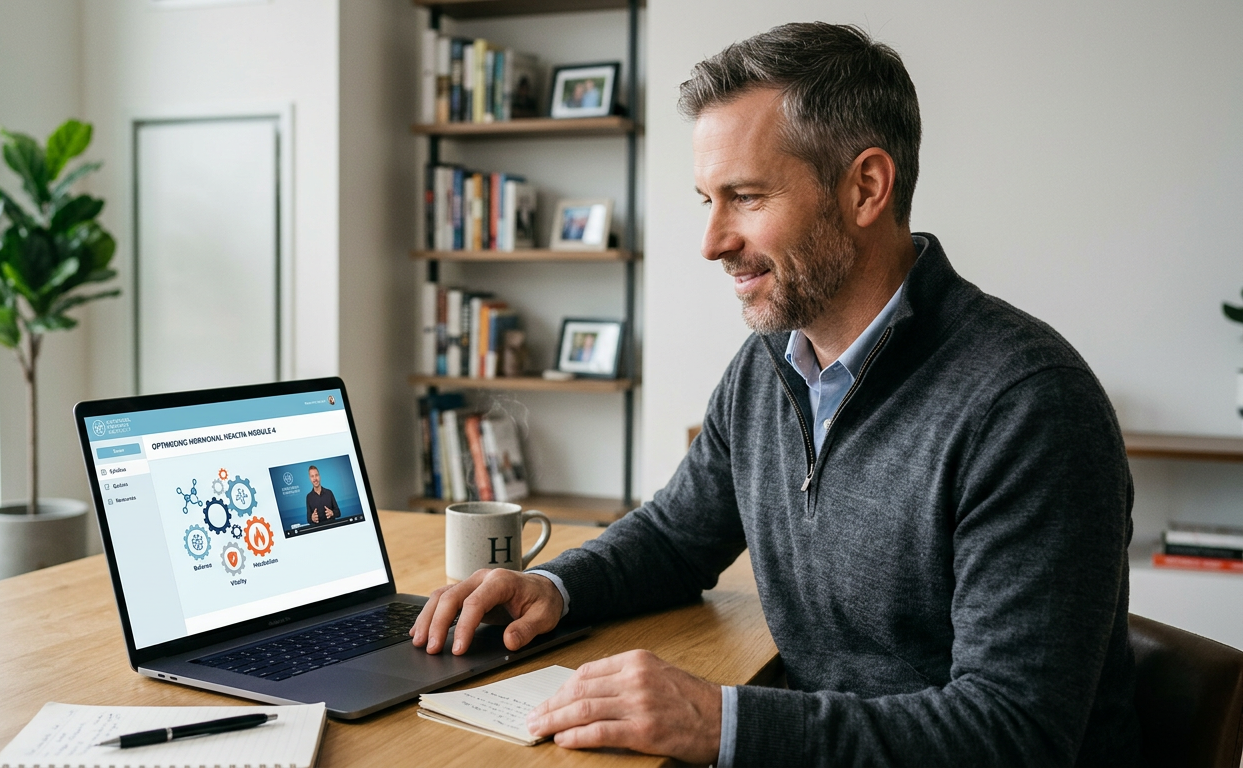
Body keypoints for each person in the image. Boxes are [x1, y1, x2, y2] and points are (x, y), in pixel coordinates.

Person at [410, 21, 1141, 767]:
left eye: (746, 197)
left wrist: (718, 722)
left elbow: (1015, 735)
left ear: (865, 187)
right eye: (707, 200)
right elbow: (674, 538)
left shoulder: (1030, 407)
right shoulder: (769, 362)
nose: (713, 241)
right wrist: (553, 586)